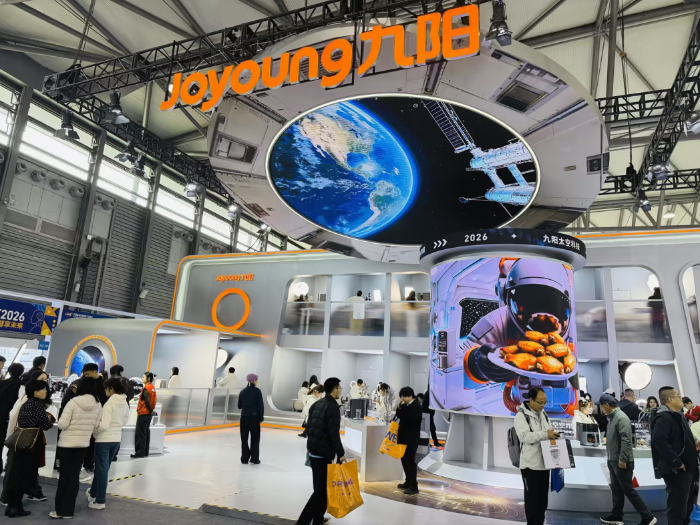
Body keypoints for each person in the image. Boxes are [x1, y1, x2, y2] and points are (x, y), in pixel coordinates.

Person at [599, 393, 656, 525]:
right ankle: (616, 515)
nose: (601, 408)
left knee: (628, 489)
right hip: (613, 459)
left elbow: (626, 440)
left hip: (621, 461)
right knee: (617, 489)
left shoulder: (621, 418)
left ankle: (647, 516)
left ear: (606, 405)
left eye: (601, 406)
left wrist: (623, 459)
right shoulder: (612, 417)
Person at [296, 377, 346, 525]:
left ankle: (318, 520)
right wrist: (341, 453)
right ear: (334, 390)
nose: (340, 390)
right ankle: (302, 522)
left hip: (313, 451)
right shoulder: (332, 407)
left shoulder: (317, 404)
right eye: (339, 388)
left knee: (321, 489)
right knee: (320, 491)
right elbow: (333, 433)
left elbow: (309, 427)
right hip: (323, 454)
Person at [52, 377, 103, 519]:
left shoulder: (73, 402)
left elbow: (62, 424)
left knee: (64, 476)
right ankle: (68, 511)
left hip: (66, 444)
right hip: (83, 444)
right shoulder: (98, 404)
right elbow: (96, 425)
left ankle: (60, 510)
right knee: (74, 476)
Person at [4, 379, 54, 518]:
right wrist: (50, 420)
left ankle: (11, 506)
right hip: (31, 444)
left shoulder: (26, 404)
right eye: (43, 389)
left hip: (20, 442)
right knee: (23, 476)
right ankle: (16, 507)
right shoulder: (38, 405)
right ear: (35, 392)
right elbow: (46, 425)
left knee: (16, 474)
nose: (45, 392)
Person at [651, 386, 698, 525]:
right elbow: (659, 441)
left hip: (687, 470)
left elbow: (679, 439)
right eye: (678, 396)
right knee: (677, 510)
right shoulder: (664, 417)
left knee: (686, 508)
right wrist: (676, 462)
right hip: (677, 471)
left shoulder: (678, 415)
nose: (681, 399)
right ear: (671, 399)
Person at [514, 387, 558, 525]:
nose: (543, 405)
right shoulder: (521, 416)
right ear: (531, 400)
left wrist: (553, 435)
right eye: (540, 402)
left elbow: (548, 431)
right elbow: (524, 437)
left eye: (545, 402)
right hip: (530, 466)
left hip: (545, 463)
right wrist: (545, 434)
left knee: (542, 501)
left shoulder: (543, 414)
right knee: (532, 501)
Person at [87, 378, 129, 510]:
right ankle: (93, 493)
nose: (105, 391)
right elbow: (125, 421)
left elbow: (104, 425)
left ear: (111, 389)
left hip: (104, 439)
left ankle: (100, 500)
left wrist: (95, 432)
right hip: (116, 439)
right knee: (103, 469)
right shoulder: (124, 402)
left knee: (101, 470)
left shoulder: (109, 403)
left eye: (106, 388)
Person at [396, 386, 422, 495]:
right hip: (403, 437)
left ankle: (413, 486)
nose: (402, 399)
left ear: (410, 396)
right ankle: (407, 481)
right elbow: (399, 416)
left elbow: (411, 419)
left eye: (404, 397)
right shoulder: (405, 405)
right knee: (404, 460)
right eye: (401, 397)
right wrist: (399, 407)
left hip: (411, 438)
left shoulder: (416, 406)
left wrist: (403, 408)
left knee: (410, 461)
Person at [0, 363, 24, 475]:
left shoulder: (2, 383)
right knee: (12, 442)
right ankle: (8, 464)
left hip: (1, 416)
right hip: (14, 418)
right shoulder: (22, 386)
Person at [238, 373, 264, 464]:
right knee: (255, 438)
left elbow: (239, 406)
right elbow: (260, 406)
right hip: (254, 418)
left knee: (244, 439)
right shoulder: (257, 391)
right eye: (257, 380)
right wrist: (261, 418)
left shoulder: (242, 391)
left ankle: (244, 458)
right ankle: (254, 458)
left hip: (244, 417)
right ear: (254, 380)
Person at [131, 372, 156, 459]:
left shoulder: (146, 388)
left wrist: (150, 411)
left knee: (140, 434)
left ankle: (140, 452)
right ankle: (145, 452)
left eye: (143, 377)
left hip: (143, 413)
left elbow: (147, 401)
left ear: (148, 378)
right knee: (146, 433)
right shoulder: (152, 387)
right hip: (148, 414)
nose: (142, 378)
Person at [422, 382, 441, 448]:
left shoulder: (429, 393)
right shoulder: (429, 394)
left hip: (427, 414)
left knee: (430, 428)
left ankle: (432, 442)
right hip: (427, 414)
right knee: (431, 428)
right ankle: (434, 442)